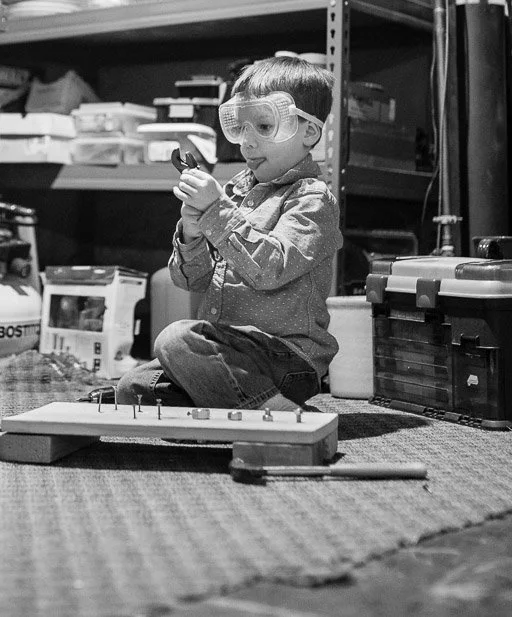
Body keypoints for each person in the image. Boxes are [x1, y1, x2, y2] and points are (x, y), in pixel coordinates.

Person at [115, 55, 342, 411]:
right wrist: (192, 232)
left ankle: (279, 413)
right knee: (132, 388)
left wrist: (216, 212)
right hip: (230, 354)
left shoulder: (312, 199)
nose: (246, 144)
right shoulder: (234, 194)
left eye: (264, 127)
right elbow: (191, 280)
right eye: (240, 127)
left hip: (286, 358)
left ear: (309, 132)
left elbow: (271, 268)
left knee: (176, 340)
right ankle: (240, 410)